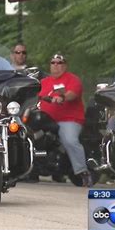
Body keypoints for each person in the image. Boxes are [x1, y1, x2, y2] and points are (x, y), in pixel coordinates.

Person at [38, 53, 93, 187]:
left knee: (69, 139)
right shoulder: (43, 82)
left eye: (59, 63)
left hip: (68, 119)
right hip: (45, 119)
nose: (56, 65)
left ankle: (83, 172)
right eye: (53, 63)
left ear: (65, 66)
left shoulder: (72, 79)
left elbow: (72, 94)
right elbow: (34, 96)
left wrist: (62, 97)